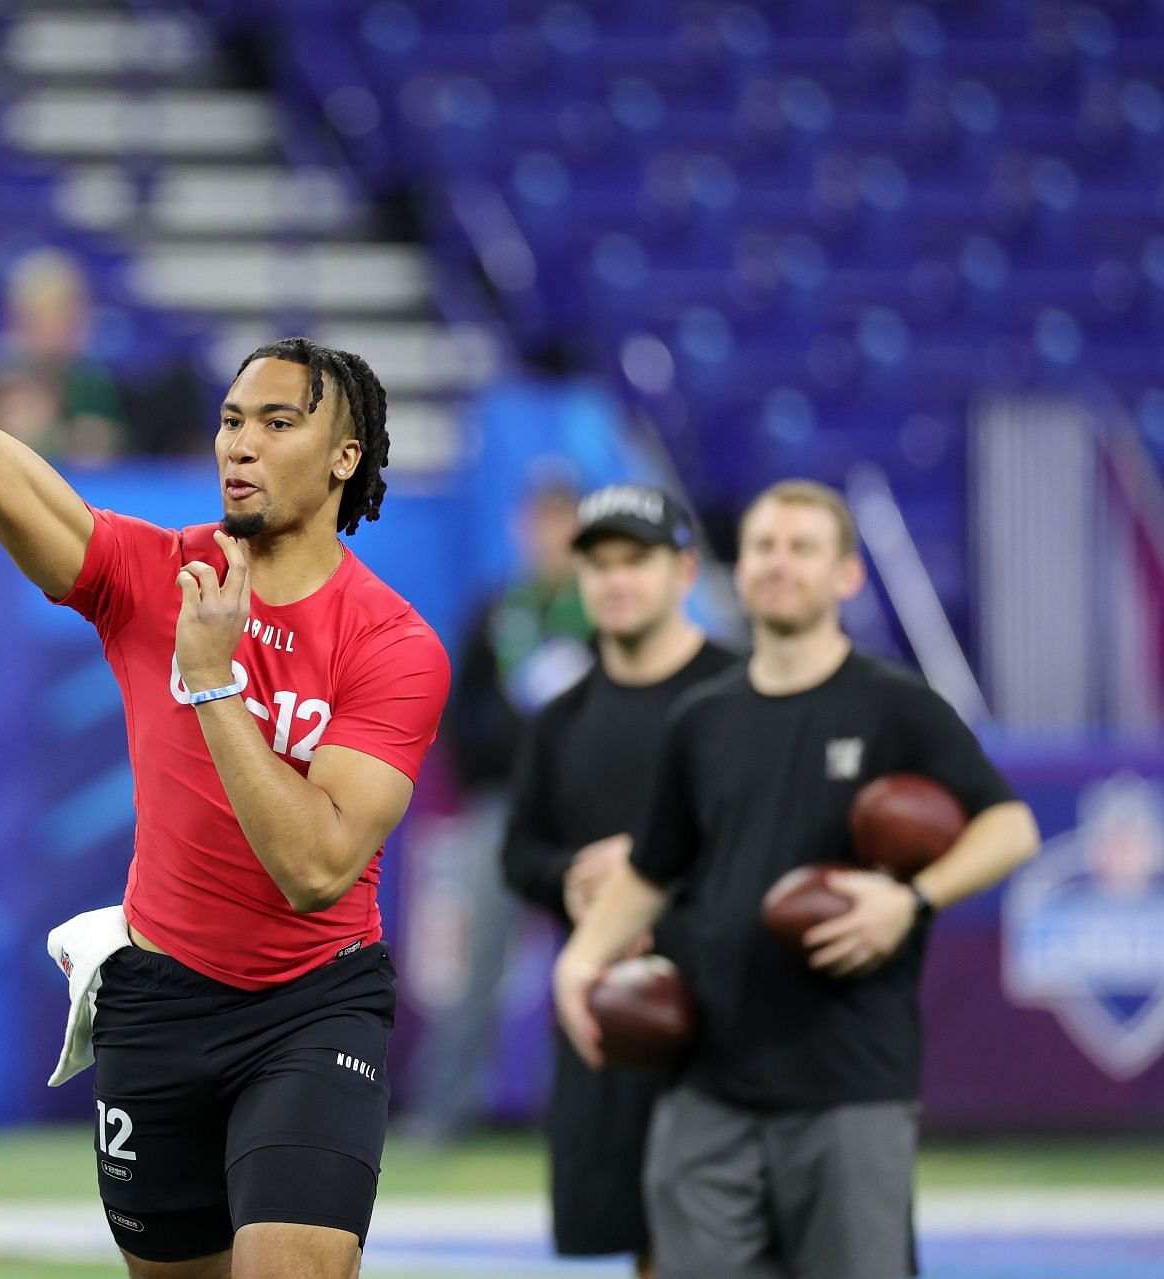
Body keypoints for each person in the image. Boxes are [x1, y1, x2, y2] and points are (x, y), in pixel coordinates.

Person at [0, 129, 451, 1279]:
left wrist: (215, 679)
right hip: (160, 1001)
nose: (240, 441)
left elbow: (317, 868)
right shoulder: (147, 570)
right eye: (232, 418)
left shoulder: (393, 643)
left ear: (346, 458)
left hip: (310, 1007)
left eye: (278, 423)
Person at [552, 480, 1041, 1279]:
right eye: (763, 547)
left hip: (848, 1083)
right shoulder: (702, 719)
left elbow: (1010, 826)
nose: (778, 564)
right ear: (737, 568)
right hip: (707, 1078)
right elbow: (653, 869)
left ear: (847, 574)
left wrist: (910, 900)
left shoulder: (897, 706)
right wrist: (581, 959)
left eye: (802, 547)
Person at [502, 485, 739, 1276]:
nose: (615, 579)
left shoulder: (743, 692)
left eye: (635, 559)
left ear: (684, 569)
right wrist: (570, 872)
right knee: (645, 1240)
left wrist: (651, 867)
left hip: (736, 1010)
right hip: (612, 1010)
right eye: (597, 563)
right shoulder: (561, 714)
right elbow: (518, 851)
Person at [403, 477, 592, 1143]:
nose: (552, 538)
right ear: (523, 530)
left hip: (588, 811)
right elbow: (461, 709)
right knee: (477, 959)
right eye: (542, 524)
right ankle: (443, 1106)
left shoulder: (604, 611)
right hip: (505, 805)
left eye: (565, 524)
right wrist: (496, 761)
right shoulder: (499, 610)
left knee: (592, 957)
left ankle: (585, 1111)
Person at [0, 247, 129, 463]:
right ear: (19, 317)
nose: (58, 325)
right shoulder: (2, 370)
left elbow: (97, 451)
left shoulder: (91, 377)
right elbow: (4, 445)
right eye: (44, 313)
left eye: (66, 313)